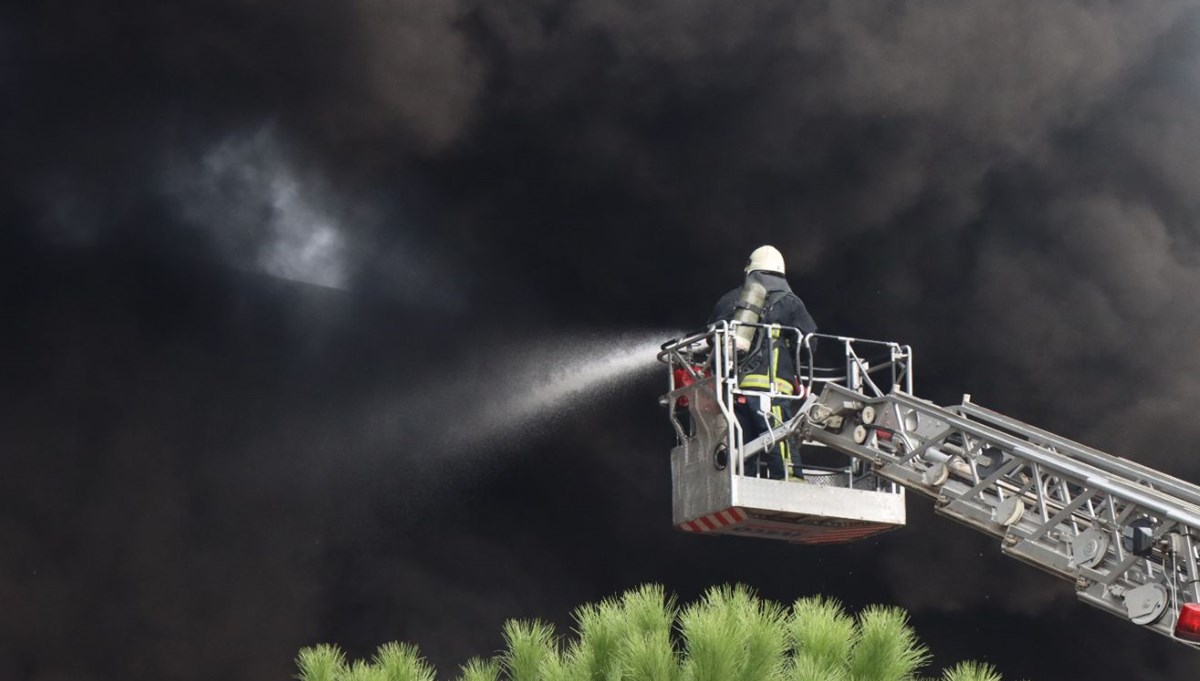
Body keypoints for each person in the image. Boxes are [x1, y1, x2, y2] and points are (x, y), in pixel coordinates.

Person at [708, 245, 817, 480]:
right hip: (772, 388)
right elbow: (809, 343)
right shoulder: (790, 302)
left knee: (743, 442)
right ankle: (791, 483)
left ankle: (742, 482)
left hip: (735, 390)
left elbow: (710, 337)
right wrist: (801, 372)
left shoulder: (730, 300)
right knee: (778, 436)